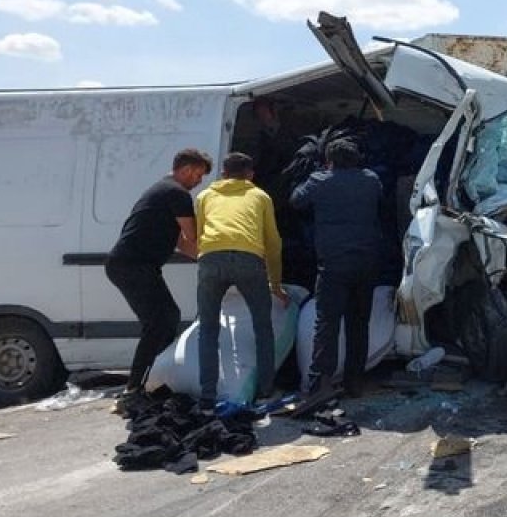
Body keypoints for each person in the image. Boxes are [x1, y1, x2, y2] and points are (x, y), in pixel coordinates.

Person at [106, 149, 213, 410]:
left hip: (130, 265)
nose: (199, 181)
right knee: (159, 322)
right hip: (133, 265)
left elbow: (181, 244)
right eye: (198, 175)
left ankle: (154, 380)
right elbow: (193, 236)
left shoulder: (163, 191)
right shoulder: (177, 194)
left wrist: (207, 260)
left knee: (167, 318)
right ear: (186, 169)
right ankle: (134, 391)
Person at [194, 152, 288, 411]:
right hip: (249, 260)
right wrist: (276, 284)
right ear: (251, 174)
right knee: (262, 326)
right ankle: (266, 391)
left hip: (211, 258)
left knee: (209, 329)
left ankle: (206, 397)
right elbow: (273, 243)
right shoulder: (260, 196)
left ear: (223, 174)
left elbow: (201, 236)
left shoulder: (204, 197)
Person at [290, 139, 383, 399]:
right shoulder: (371, 179)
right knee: (358, 323)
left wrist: (315, 174)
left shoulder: (320, 181)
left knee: (327, 323)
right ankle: (355, 383)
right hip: (366, 262)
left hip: (333, 264)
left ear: (329, 161)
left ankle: (321, 383)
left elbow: (296, 201)